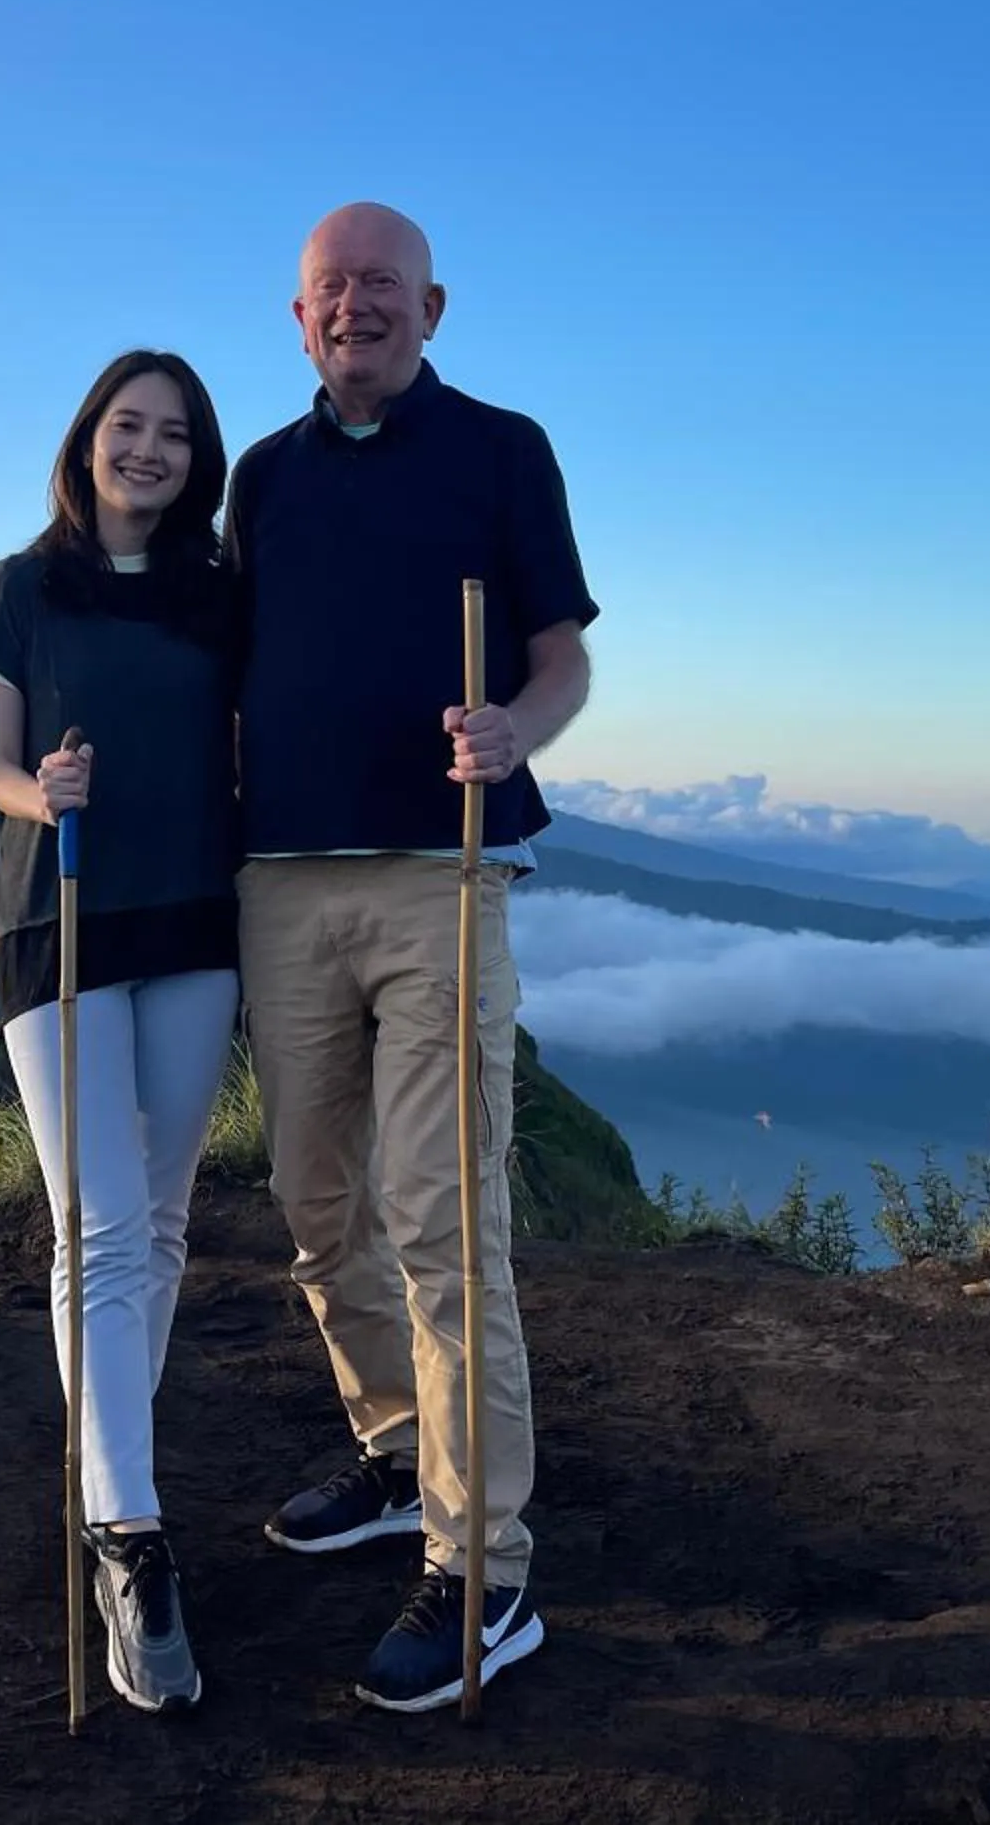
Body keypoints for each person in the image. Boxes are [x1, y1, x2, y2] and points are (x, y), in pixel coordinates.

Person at [226, 200, 600, 1714]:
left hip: (443, 874)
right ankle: (397, 1450)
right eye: (332, 289)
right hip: (283, 881)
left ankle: (484, 1565)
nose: (357, 306)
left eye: (383, 285)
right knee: (318, 1203)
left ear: (432, 308)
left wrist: (520, 726)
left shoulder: (504, 449)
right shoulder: (259, 477)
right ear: (298, 319)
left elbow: (563, 652)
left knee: (446, 1222)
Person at [0, 347, 244, 1716]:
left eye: (174, 436)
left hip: (196, 921)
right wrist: (43, 789)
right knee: (104, 1226)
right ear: (84, 442)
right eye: (127, 427)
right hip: (60, 921)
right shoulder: (18, 588)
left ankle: (103, 1466)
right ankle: (131, 1531)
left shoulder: (213, 595)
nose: (147, 450)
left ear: (199, 462)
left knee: (166, 1218)